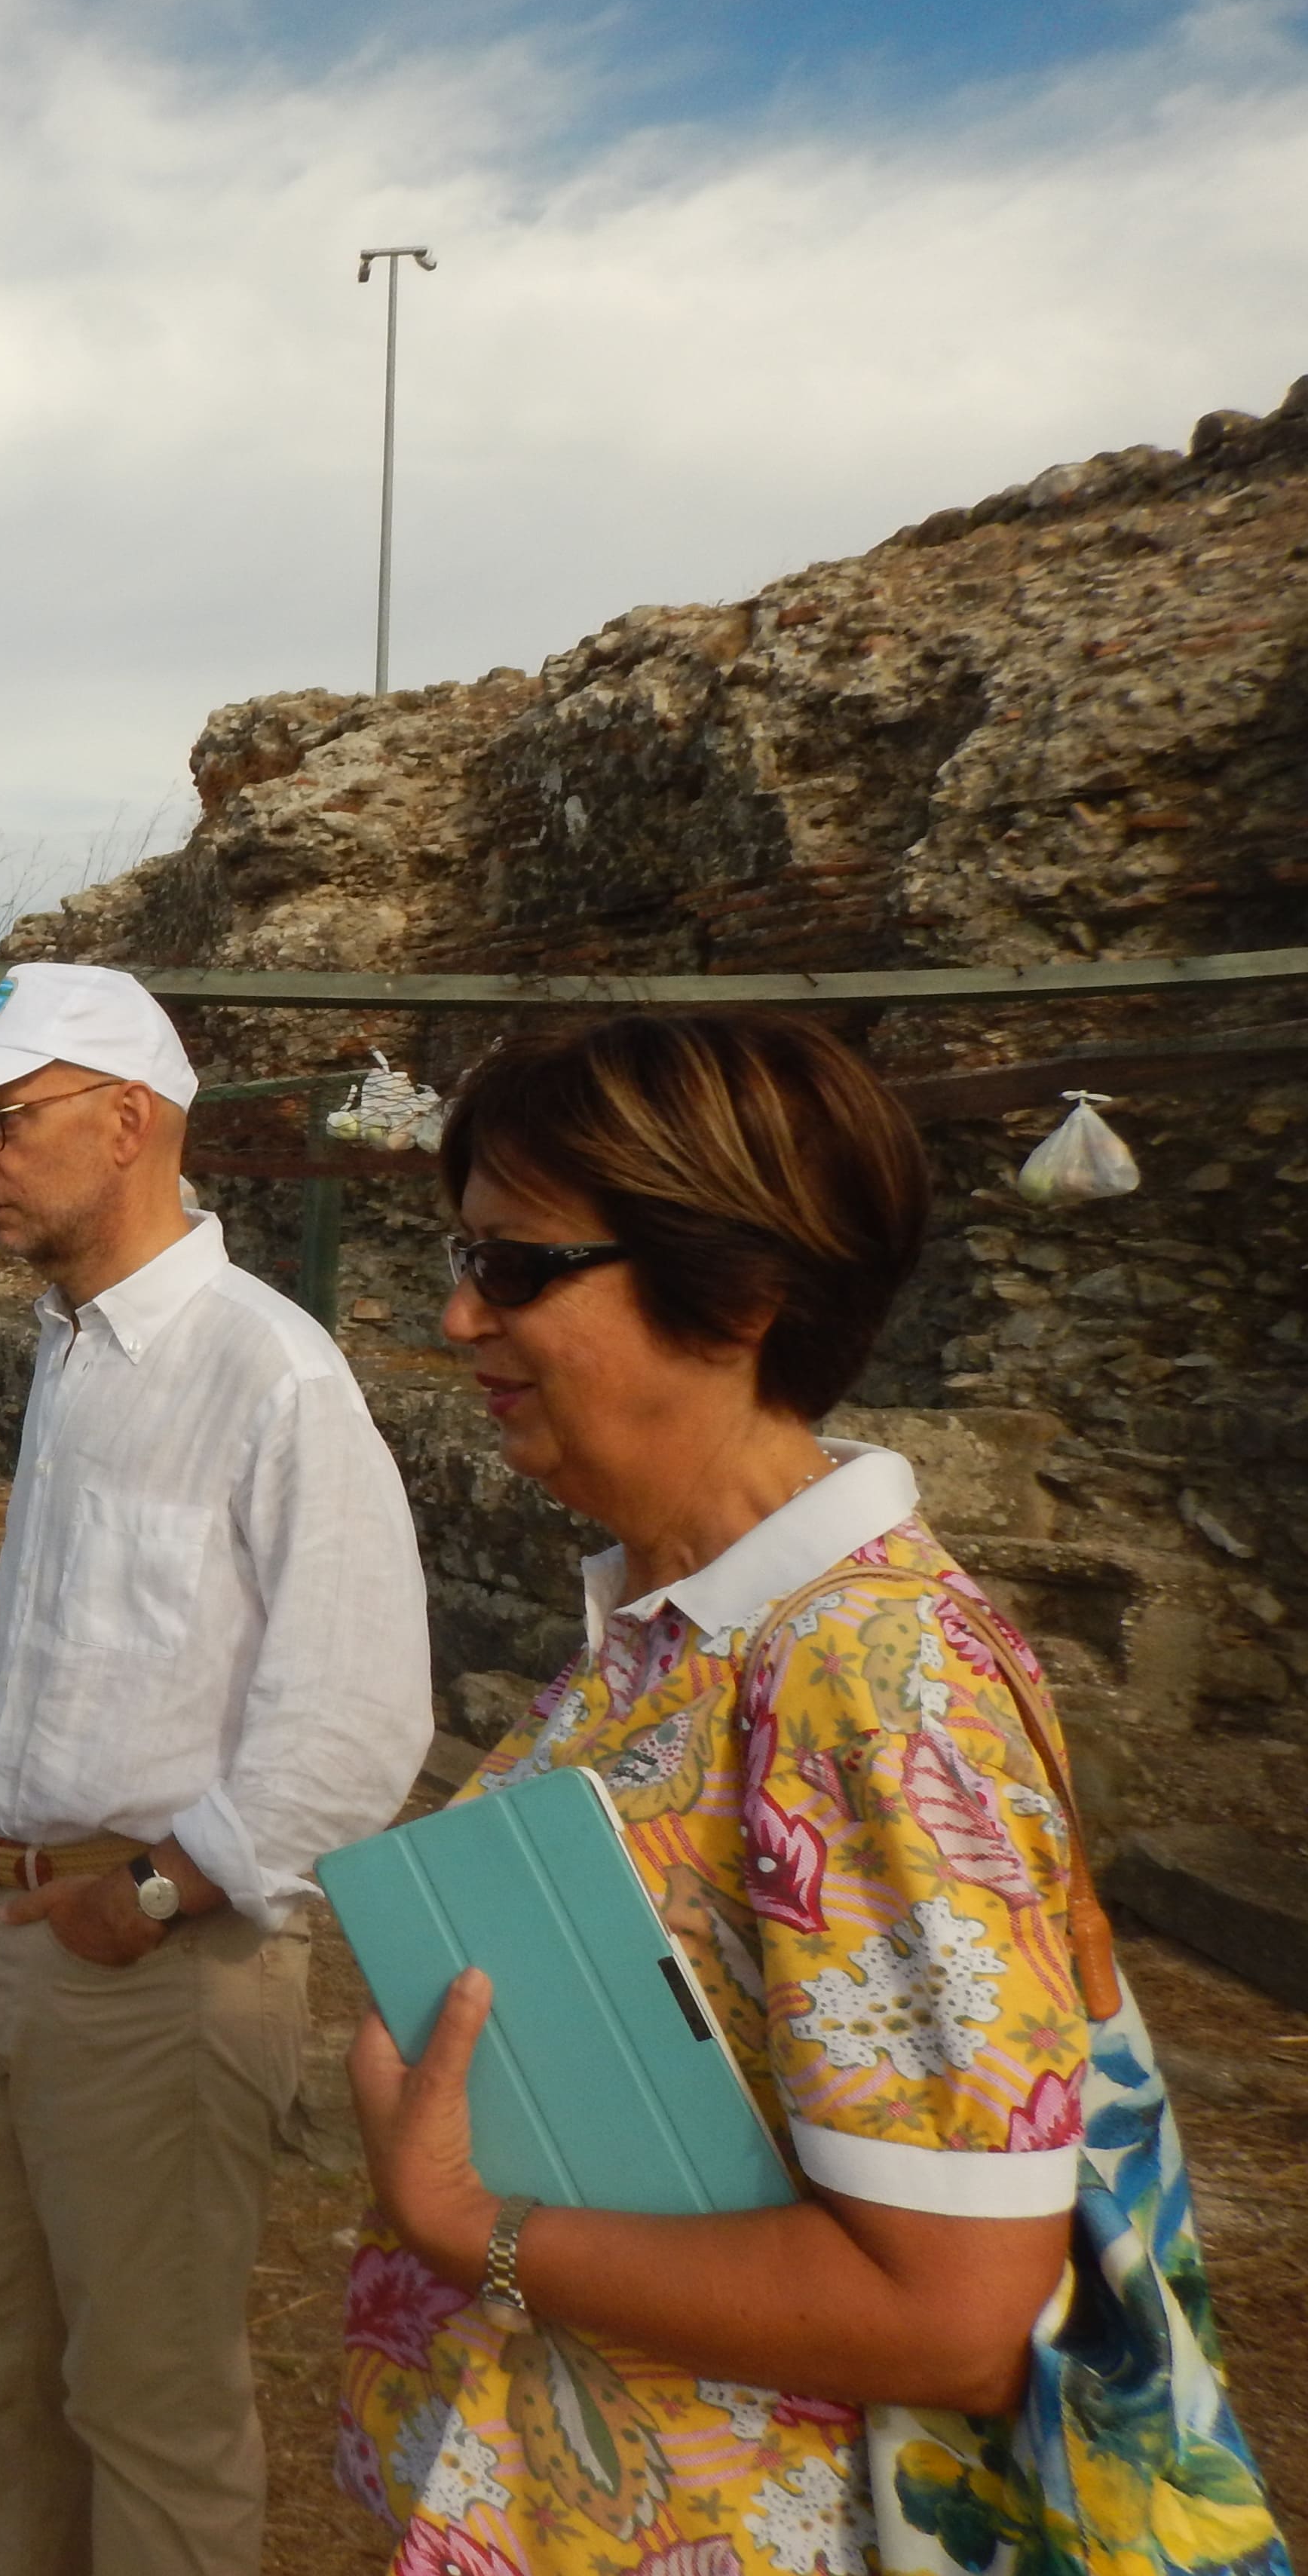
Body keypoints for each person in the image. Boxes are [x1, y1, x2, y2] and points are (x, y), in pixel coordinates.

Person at [342, 1010, 1286, 2576]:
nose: (456, 1316)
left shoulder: (875, 1679)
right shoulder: (690, 1629)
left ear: (744, 1291)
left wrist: (472, 2229)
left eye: (515, 1267)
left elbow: (955, 2312)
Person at [0, 963, 434, 2576]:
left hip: (147, 1963)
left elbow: (353, 1725)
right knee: (4, 2370)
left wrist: (147, 1893)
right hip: (7, 1939)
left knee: (150, 2408)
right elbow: (59, 1643)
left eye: (4, 1121)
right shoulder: (78, 1350)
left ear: (129, 1123)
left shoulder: (269, 1375)